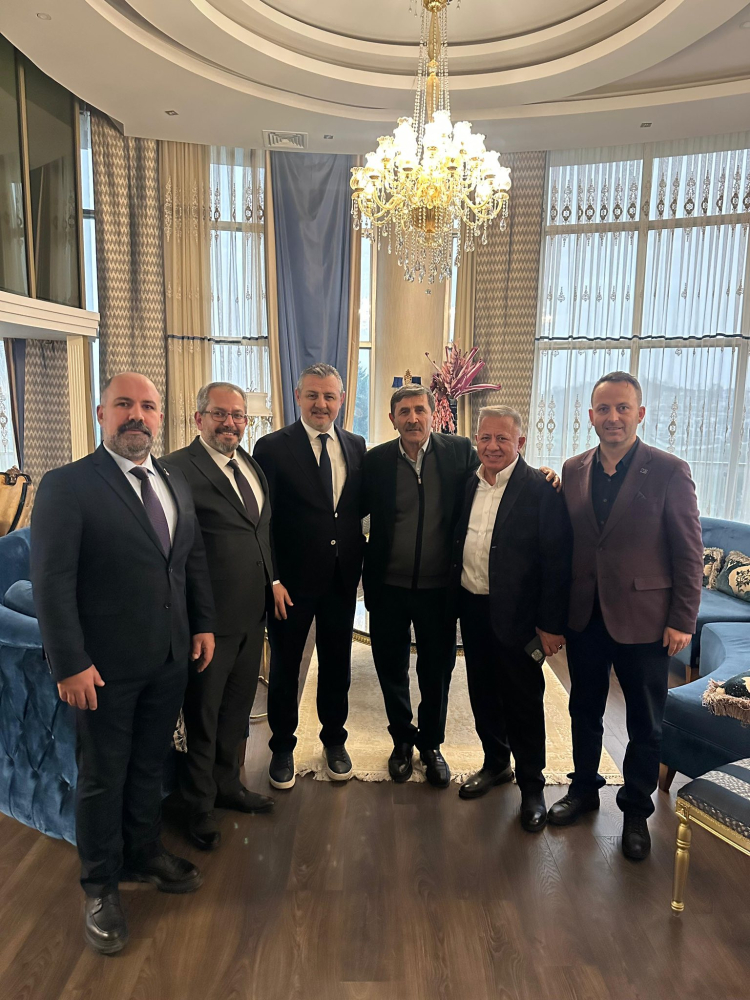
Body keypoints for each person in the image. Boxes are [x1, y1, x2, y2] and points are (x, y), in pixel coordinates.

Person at [30, 372, 215, 956]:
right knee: (103, 775)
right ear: (101, 414)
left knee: (149, 765)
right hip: (102, 668)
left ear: (161, 417)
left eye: (148, 406)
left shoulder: (173, 479)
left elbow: (189, 560)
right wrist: (69, 663)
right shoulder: (67, 485)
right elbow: (51, 582)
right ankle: (100, 885)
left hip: (169, 657)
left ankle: (144, 853)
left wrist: (202, 623)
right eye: (124, 405)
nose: (137, 415)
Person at [549, 371, 703, 860]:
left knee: (645, 721)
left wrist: (683, 618)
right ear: (590, 415)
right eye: (603, 409)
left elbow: (689, 553)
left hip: (646, 619)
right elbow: (569, 541)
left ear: (640, 413)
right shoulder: (573, 469)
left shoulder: (670, 471)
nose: (612, 417)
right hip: (585, 616)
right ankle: (583, 789)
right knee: (583, 710)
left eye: (622, 408)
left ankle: (636, 809)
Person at [164, 382, 275, 851]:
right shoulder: (174, 469)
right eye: (219, 414)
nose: (230, 423)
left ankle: (228, 785)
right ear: (199, 419)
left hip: (252, 615)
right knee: (203, 716)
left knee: (236, 710)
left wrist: (272, 581)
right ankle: (197, 805)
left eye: (238, 415)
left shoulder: (248, 463)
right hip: (208, 623)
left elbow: (259, 532)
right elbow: (176, 553)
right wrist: (197, 621)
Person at [451, 406, 571, 831]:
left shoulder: (541, 489)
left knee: (523, 702)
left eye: (503, 438)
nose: (493, 446)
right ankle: (495, 763)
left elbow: (557, 563)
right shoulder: (467, 483)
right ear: (476, 441)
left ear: (520, 442)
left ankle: (532, 787)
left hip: (520, 618)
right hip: (473, 608)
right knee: (482, 693)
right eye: (485, 437)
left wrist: (551, 625)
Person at [253, 364, 366, 788]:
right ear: (298, 396)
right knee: (286, 667)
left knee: (337, 666)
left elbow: (354, 509)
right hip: (290, 585)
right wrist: (273, 579)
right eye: (313, 395)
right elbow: (262, 520)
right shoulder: (272, 447)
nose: (322, 404)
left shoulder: (355, 445)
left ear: (341, 400)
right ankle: (282, 747)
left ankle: (334, 741)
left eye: (330, 396)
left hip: (341, 580)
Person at [362, 385, 479, 787]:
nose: (413, 418)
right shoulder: (376, 460)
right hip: (387, 588)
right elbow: (348, 508)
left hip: (439, 590)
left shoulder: (459, 452)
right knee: (390, 668)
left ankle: (431, 745)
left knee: (437, 672)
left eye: (419, 410)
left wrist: (544, 477)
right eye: (404, 411)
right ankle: (401, 741)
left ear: (434, 414)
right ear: (392, 419)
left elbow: (496, 479)